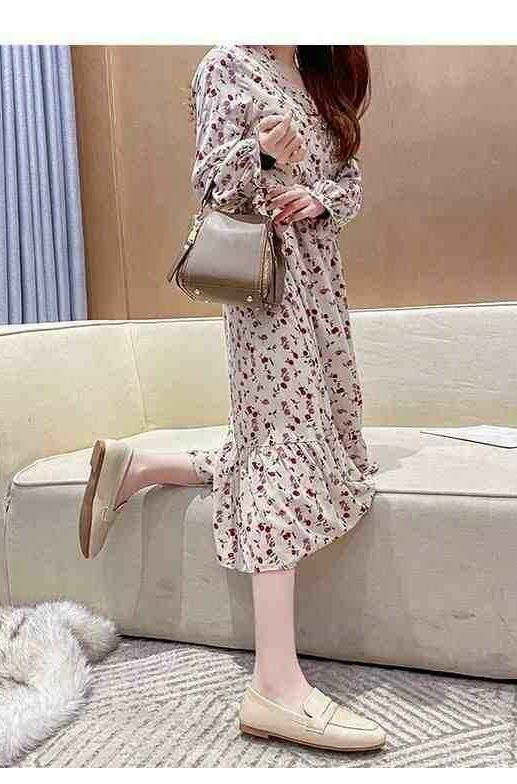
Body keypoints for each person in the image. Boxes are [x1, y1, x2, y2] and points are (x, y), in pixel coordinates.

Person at [78, 44, 385, 753]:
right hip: (268, 290)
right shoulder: (228, 64)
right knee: (283, 447)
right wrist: (264, 156)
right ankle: (275, 684)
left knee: (308, 446)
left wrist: (322, 196)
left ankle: (139, 468)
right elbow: (212, 182)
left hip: (321, 287)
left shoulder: (312, 70)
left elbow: (348, 176)